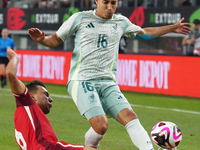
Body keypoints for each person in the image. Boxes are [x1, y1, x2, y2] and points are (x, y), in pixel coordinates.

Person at [28, 0, 191, 149]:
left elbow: (144, 32)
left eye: (113, 3)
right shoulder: (80, 18)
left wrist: (171, 28)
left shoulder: (121, 22)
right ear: (96, 1)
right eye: (105, 2)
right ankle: (89, 146)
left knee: (130, 117)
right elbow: (56, 39)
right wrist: (42, 39)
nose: (109, 7)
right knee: (101, 125)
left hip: (108, 82)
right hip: (82, 79)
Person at [5, 48, 96, 150]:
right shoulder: (26, 102)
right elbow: (10, 74)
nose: (51, 99)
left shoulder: (25, 117)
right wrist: (15, 58)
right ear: (31, 97)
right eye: (46, 94)